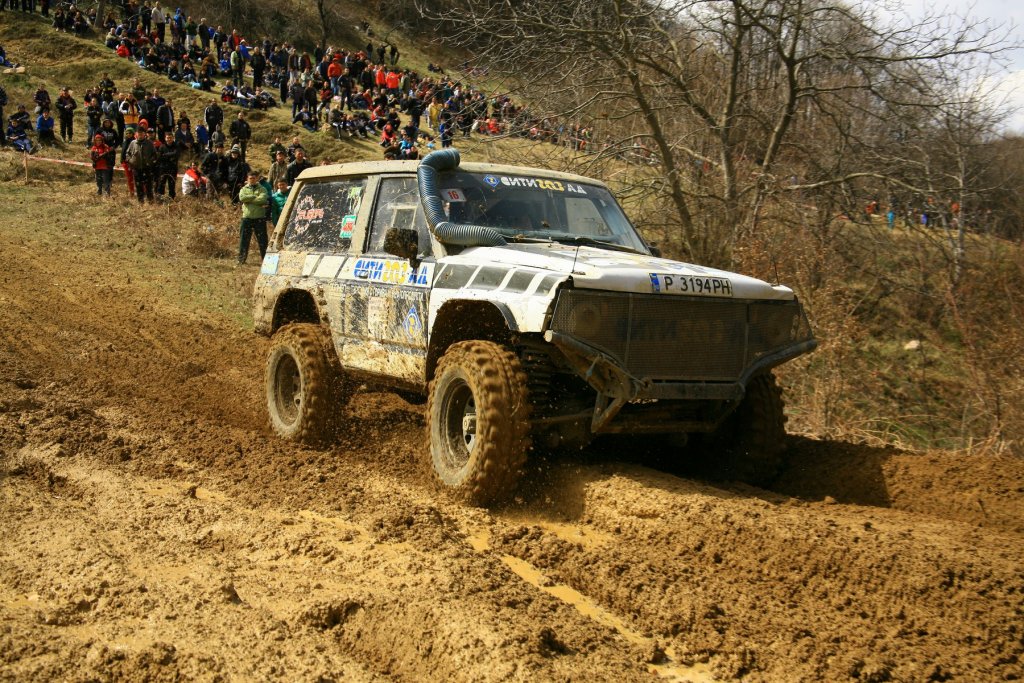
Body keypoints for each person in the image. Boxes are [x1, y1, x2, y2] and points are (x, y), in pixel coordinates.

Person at [237, 170, 269, 265]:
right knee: (244, 240)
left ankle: (266, 261)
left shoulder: (262, 189)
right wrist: (254, 197)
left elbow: (262, 199)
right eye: (250, 178)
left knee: (263, 240)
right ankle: (241, 260)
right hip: (246, 218)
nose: (252, 180)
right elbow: (242, 198)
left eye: (254, 178)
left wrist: (249, 199)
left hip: (259, 218)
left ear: (257, 179)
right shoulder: (243, 189)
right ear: (247, 179)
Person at [125, 125, 158, 203]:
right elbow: (127, 154)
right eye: (138, 133)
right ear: (136, 134)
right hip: (136, 168)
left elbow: (154, 154)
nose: (140, 135)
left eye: (142, 133)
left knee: (148, 186)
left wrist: (150, 162)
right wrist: (130, 161)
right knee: (138, 186)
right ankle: (140, 202)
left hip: (147, 168)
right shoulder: (133, 143)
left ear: (144, 134)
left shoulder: (149, 143)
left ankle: (150, 201)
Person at [155, 131, 180, 199]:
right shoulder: (162, 146)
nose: (169, 139)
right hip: (163, 168)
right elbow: (159, 157)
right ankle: (160, 199)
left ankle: (172, 199)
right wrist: (171, 155)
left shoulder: (176, 146)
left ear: (173, 138)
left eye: (170, 138)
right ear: (165, 138)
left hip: (173, 168)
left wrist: (165, 155)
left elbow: (176, 154)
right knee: (161, 184)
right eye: (167, 138)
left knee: (172, 185)